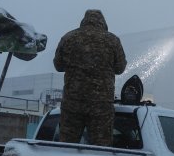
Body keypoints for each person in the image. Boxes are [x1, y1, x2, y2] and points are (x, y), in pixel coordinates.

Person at [54, 9, 127, 146]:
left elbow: (58, 66)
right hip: (101, 106)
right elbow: (120, 68)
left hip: (72, 104)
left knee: (66, 146)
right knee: (101, 148)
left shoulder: (69, 38)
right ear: (103, 22)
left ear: (84, 20)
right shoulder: (112, 40)